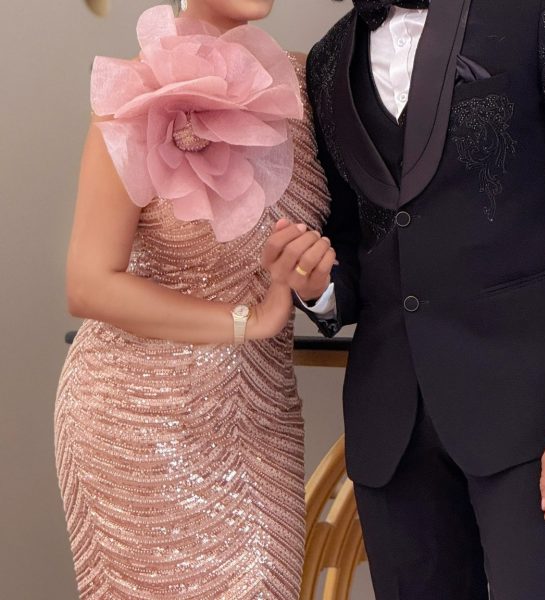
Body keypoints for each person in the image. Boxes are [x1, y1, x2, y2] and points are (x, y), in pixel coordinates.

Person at [263, 0, 545, 598]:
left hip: (537, 420)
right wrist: (319, 289)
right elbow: (356, 243)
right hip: (393, 435)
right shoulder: (327, 60)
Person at [54, 1, 334, 598]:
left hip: (261, 421)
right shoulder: (133, 95)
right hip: (136, 423)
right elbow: (88, 281)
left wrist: (314, 283)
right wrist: (249, 320)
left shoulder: (309, 84)